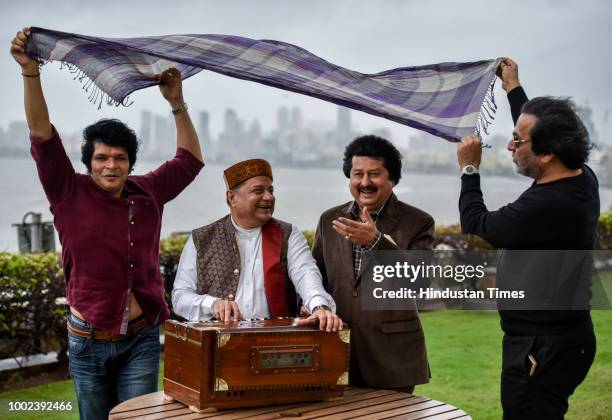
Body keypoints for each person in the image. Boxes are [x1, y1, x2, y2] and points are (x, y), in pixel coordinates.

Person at [10, 27, 204, 419]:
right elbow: (42, 136)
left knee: (139, 417)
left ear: (130, 162)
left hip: (142, 339)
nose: (110, 165)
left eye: (119, 158)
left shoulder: (148, 190)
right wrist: (31, 72)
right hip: (87, 341)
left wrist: (177, 103)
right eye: (101, 158)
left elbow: (189, 161)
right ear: (89, 162)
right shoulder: (68, 190)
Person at [457, 57, 597, 419]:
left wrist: (469, 168)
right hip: (567, 338)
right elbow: (541, 131)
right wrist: (512, 88)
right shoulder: (581, 178)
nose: (509, 145)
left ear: (548, 153)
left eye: (518, 140)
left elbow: (475, 224)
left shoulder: (543, 206)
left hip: (541, 348)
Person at [312, 135, 434, 392]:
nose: (365, 182)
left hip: (392, 358)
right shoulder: (329, 220)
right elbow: (315, 280)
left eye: (374, 174)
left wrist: (375, 242)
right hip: (336, 350)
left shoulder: (418, 221)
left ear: (392, 178)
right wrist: (313, 308)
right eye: (358, 174)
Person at [172, 158, 342, 332]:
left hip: (275, 342)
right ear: (232, 197)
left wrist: (319, 306)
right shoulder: (201, 239)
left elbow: (306, 274)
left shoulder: (288, 235)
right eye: (258, 190)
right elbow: (180, 297)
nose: (268, 197)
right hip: (217, 344)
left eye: (271, 190)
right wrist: (212, 304)